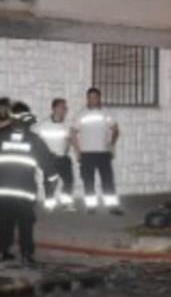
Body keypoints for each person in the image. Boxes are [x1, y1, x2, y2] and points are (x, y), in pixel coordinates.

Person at [0, 101, 55, 266]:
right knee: (25, 223)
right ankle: (26, 254)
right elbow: (49, 169)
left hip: (1, 191)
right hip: (24, 191)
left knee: (4, 221)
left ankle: (3, 251)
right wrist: (50, 192)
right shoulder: (34, 141)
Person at [71, 87, 122, 215]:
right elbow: (73, 132)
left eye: (95, 97)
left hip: (103, 153)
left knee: (108, 181)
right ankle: (91, 206)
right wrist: (77, 151)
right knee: (88, 181)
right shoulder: (80, 114)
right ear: (87, 98)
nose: (92, 100)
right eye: (90, 97)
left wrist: (111, 145)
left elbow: (115, 129)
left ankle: (112, 207)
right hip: (87, 154)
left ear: (99, 98)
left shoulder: (106, 113)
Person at [34, 98, 75, 212]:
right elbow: (32, 135)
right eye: (62, 107)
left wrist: (68, 148)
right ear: (55, 108)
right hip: (49, 159)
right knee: (50, 182)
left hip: (63, 158)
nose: (65, 110)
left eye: (65, 108)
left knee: (69, 181)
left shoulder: (65, 125)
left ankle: (66, 204)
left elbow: (69, 140)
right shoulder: (43, 124)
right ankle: (49, 204)